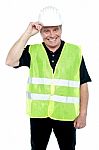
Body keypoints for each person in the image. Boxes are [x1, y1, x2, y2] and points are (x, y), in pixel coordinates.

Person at [6, 6, 91, 150]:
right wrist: (27, 34)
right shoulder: (33, 51)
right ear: (40, 32)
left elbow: (83, 84)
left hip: (66, 115)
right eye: (46, 30)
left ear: (61, 29)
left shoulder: (75, 51)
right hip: (39, 115)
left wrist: (83, 114)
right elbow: (10, 61)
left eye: (55, 29)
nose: (52, 35)